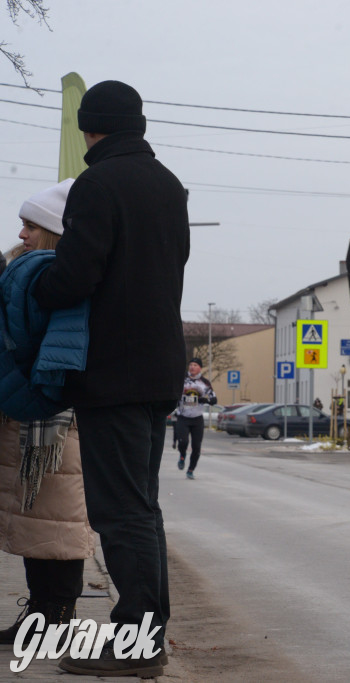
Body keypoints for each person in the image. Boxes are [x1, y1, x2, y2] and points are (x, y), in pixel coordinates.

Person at [33, 80, 189, 678]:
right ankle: (146, 631)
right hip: (159, 368)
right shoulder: (168, 184)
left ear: (88, 128)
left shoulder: (97, 184)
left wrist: (35, 285)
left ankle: (138, 641)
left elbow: (76, 275)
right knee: (141, 507)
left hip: (113, 371)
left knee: (120, 512)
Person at [0, 179, 95, 644]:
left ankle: (55, 616)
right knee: (34, 517)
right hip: (29, 414)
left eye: (30, 226)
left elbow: (60, 352)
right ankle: (42, 613)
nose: (21, 235)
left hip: (53, 419)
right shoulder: (26, 274)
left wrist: (34, 391)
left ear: (55, 232)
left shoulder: (58, 280)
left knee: (56, 518)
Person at [175, 358, 216, 480]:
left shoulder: (205, 383)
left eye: (195, 365)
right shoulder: (182, 380)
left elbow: (214, 399)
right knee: (183, 442)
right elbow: (175, 394)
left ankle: (191, 470)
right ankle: (182, 455)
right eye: (191, 365)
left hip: (197, 419)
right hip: (183, 417)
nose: (192, 367)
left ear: (200, 368)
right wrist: (195, 400)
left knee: (196, 447)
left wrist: (206, 400)